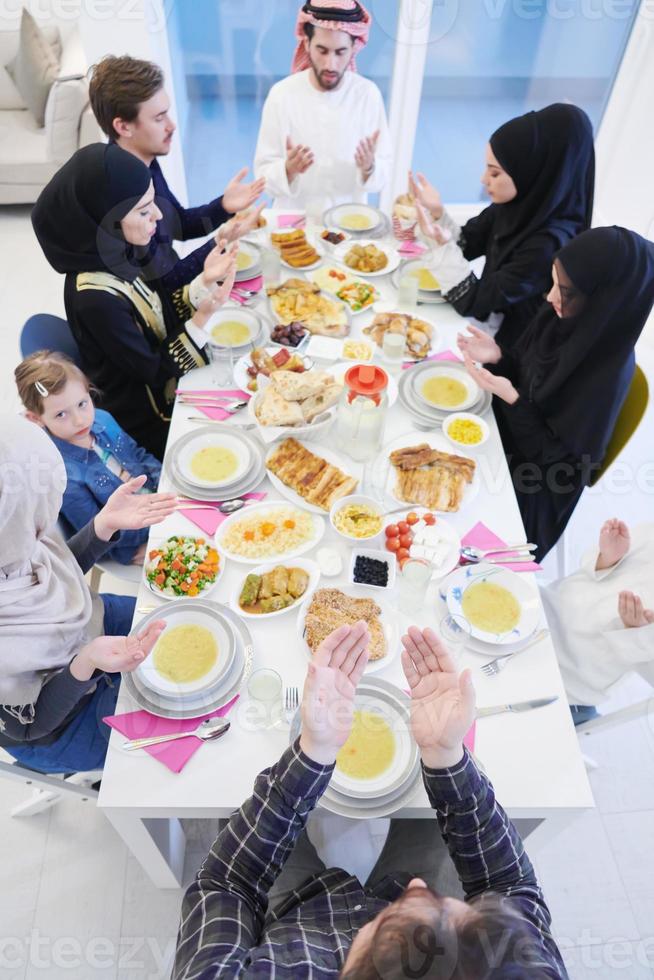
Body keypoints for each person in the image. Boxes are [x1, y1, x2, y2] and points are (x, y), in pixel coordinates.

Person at [172, 623, 566, 978]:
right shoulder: (522, 971)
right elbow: (509, 888)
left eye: (392, 924)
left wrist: (311, 755)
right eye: (457, 908)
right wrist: (445, 755)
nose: (416, 884)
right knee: (434, 817)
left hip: (294, 911)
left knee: (235, 802)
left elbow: (227, 883)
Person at [458, 226, 654, 562]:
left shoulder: (607, 374)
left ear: (603, 300)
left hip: (532, 489)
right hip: (504, 438)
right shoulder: (562, 315)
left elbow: (556, 466)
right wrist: (499, 356)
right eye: (554, 282)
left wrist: (514, 400)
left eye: (564, 290)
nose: (550, 297)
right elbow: (526, 367)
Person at [32, 142, 237, 460]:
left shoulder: (117, 248)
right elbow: (154, 371)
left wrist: (203, 283)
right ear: (105, 219)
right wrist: (200, 319)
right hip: (144, 418)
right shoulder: (95, 297)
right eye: (143, 210)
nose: (157, 216)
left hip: (163, 379)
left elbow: (157, 310)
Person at [0, 415, 175, 773]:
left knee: (184, 622)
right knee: (184, 728)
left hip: (90, 626)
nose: (44, 526)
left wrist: (102, 526)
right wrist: (87, 662)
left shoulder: (11, 536)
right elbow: (30, 726)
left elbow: (53, 572)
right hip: (64, 723)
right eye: (37, 516)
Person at [411, 103, 595, 349]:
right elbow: (468, 244)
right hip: (487, 330)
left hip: (511, 353)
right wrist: (437, 214)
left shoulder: (548, 243)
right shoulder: (520, 204)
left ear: (530, 173)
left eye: (495, 173)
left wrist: (442, 245)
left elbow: (473, 300)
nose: (483, 179)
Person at [88, 54, 266, 293]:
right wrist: (218, 241)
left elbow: (178, 224)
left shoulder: (143, 163)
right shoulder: (122, 201)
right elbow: (166, 284)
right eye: (159, 118)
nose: (171, 126)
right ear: (123, 127)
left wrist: (223, 206)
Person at [15, 350, 162, 567]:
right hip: (131, 537)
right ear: (35, 418)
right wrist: (159, 524)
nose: (79, 420)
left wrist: (166, 482)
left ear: (88, 390)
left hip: (157, 503)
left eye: (82, 404)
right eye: (61, 415)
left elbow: (138, 454)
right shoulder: (63, 475)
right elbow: (97, 530)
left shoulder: (103, 419)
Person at [254, 0, 392, 209]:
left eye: (340, 52)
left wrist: (369, 168)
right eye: (322, 50)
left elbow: (385, 172)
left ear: (353, 48)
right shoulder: (281, 95)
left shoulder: (367, 95)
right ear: (307, 44)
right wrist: (287, 170)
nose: (331, 64)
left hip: (349, 227)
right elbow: (263, 176)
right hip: (293, 229)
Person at [542, 518, 654, 726]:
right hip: (544, 610)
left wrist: (638, 632)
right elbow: (586, 570)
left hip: (567, 677)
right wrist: (606, 558)